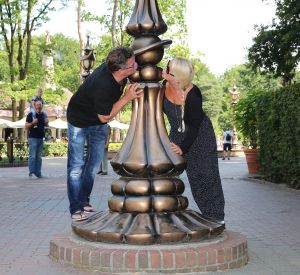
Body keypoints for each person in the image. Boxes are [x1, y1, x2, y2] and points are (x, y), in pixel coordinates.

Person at [67, 46, 142, 222]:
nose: (136, 66)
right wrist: (127, 98)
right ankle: (75, 208)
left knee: (93, 165)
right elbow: (105, 116)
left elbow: (102, 116)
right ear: (121, 70)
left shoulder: (119, 72)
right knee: (76, 166)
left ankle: (84, 200)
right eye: (133, 65)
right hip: (79, 121)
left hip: (97, 120)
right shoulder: (103, 84)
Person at [162, 57, 225, 222]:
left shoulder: (193, 93)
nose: (165, 70)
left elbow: (195, 127)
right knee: (165, 171)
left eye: (168, 69)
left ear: (177, 75)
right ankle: (165, 215)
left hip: (200, 137)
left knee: (205, 177)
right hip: (177, 135)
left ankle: (216, 218)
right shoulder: (163, 87)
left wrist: (182, 148)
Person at [25, 100, 49, 178]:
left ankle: (38, 173)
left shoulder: (43, 115)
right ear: (34, 106)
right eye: (37, 104)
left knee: (39, 157)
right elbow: (26, 126)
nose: (39, 106)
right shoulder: (30, 114)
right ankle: (31, 172)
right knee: (32, 156)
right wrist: (32, 123)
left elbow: (46, 125)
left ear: (42, 106)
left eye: (40, 104)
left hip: (40, 138)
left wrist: (47, 122)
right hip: (33, 138)